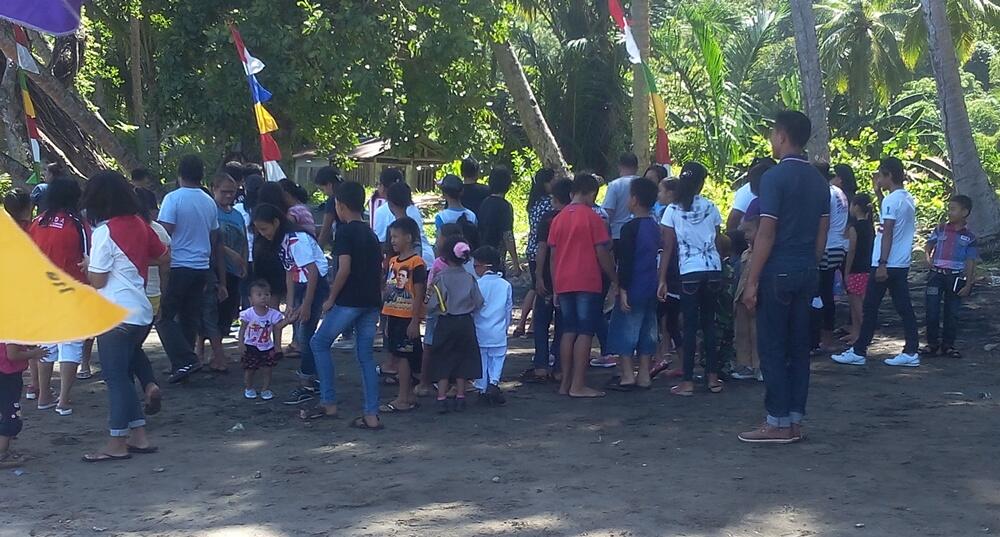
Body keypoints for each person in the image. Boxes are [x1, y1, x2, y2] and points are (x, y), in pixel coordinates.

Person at [738, 111, 829, 444]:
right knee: (799, 347)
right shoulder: (820, 181)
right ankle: (793, 420)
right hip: (807, 268)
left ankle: (776, 422)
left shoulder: (774, 178)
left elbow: (766, 233)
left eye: (773, 133)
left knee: (773, 347)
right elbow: (822, 233)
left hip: (778, 270)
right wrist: (811, 265)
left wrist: (752, 280)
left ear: (781, 135)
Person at [82, 170, 170, 462]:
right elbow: (164, 255)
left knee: (116, 378)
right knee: (127, 369)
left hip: (115, 313)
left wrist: (87, 265)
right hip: (141, 311)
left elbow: (98, 280)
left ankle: (117, 441)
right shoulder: (140, 224)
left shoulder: (104, 232)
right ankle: (139, 437)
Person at [307, 181, 384, 430]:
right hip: (371, 301)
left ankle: (328, 401)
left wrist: (330, 298)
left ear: (339, 206)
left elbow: (344, 269)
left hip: (349, 300)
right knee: (365, 357)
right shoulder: (371, 234)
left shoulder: (345, 232)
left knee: (319, 343)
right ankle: (371, 414)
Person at [832, 157, 919, 368]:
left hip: (887, 263)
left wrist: (882, 263)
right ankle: (909, 350)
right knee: (901, 306)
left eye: (881, 175)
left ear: (888, 175)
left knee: (871, 307)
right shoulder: (905, 199)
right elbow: (889, 220)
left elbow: (887, 231)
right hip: (900, 262)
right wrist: (879, 193)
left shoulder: (892, 201)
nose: (878, 179)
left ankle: (860, 350)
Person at [657, 163, 726, 397]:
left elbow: (668, 247)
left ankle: (687, 380)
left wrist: (662, 278)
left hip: (689, 271)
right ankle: (713, 377)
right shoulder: (710, 206)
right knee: (709, 324)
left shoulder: (673, 210)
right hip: (713, 268)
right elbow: (718, 240)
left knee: (688, 325)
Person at [252, 204, 330, 405]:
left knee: (306, 334)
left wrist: (306, 304)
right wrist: (292, 302)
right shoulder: (282, 241)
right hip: (301, 285)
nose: (263, 234)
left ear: (276, 223)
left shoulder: (296, 239)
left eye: (264, 229)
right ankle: (311, 377)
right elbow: (289, 272)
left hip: (314, 286)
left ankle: (307, 381)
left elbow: (312, 272)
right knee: (303, 333)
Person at [548, 173, 617, 398]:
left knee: (568, 331)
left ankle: (565, 383)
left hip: (564, 281)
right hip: (587, 280)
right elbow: (602, 252)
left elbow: (553, 255)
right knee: (585, 332)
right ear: (591, 193)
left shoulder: (558, 218)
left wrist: (556, 286)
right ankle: (578, 384)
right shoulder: (592, 217)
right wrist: (615, 279)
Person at [27, 178, 90, 415]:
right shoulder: (77, 223)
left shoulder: (38, 221)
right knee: (71, 343)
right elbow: (86, 257)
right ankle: (63, 399)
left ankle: (44, 395)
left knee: (47, 342)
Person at [157, 154, 222, 383]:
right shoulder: (208, 201)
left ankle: (185, 359)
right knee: (188, 317)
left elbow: (164, 233)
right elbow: (214, 235)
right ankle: (183, 363)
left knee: (164, 316)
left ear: (179, 173)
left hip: (179, 264)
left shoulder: (173, 199)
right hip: (201, 265)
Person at [606, 177, 659, 391]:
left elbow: (625, 260)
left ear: (634, 200)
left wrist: (622, 288)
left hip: (633, 285)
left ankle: (627, 374)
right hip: (651, 285)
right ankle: (644, 374)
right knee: (648, 329)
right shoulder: (655, 226)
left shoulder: (630, 228)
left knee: (624, 330)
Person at [426, 237, 484, 413]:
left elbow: (432, 304)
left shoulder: (441, 278)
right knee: (463, 359)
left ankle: (441, 397)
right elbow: (479, 301)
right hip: (466, 323)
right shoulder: (469, 277)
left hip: (446, 321)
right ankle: (460, 397)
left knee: (443, 358)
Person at [919, 195, 978, 359]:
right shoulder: (940, 229)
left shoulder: (970, 237)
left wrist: (968, 283)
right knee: (931, 310)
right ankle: (932, 344)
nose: (949, 212)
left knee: (952, 312)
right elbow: (929, 244)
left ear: (964, 212)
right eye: (949, 208)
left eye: (953, 209)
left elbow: (971, 261)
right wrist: (927, 257)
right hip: (936, 275)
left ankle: (948, 345)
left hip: (955, 277)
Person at [525, 178, 572, 383]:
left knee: (542, 322)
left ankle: (541, 365)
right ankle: (560, 367)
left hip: (547, 275)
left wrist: (538, 275)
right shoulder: (573, 218)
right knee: (563, 324)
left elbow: (542, 248)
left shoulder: (548, 219)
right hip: (568, 275)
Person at [730, 160, 773, 381]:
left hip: (753, 260)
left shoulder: (757, 204)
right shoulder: (781, 202)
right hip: (773, 260)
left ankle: (748, 363)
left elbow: (745, 228)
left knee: (746, 311)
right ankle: (759, 364)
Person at [379, 217, 427, 413]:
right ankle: (408, 395)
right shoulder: (392, 262)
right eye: (391, 237)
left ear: (408, 237)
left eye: (396, 236)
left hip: (408, 317)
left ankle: (403, 398)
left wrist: (415, 320)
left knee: (405, 357)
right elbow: (389, 289)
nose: (393, 240)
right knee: (400, 355)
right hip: (393, 315)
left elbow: (419, 293)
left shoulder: (417, 263)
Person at [416, 223, 467, 396]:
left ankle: (425, 382)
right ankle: (455, 385)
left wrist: (425, 305)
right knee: (455, 348)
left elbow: (430, 286)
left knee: (429, 345)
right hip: (458, 312)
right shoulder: (466, 264)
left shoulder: (438, 264)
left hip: (437, 310)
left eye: (438, 236)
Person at [811, 163, 850, 352]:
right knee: (826, 292)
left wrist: (816, 252)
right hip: (839, 245)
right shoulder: (838, 192)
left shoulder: (824, 193)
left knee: (820, 292)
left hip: (826, 246)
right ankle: (825, 337)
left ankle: (821, 338)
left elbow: (822, 225)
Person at [471, 246, 513, 405]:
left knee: (482, 359)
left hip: (480, 329)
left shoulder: (478, 284)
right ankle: (494, 383)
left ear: (484, 266)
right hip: (498, 329)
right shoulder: (505, 285)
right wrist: (506, 327)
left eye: (476, 266)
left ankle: (482, 388)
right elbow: (508, 309)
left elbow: (473, 307)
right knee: (497, 358)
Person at [518, 169, 556, 338]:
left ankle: (522, 323)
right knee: (541, 289)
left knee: (534, 287)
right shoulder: (549, 203)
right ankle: (533, 325)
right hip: (544, 249)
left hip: (531, 248)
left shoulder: (533, 203)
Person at [238, 280, 289, 400]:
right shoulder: (248, 314)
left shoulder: (273, 314)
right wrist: (241, 343)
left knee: (267, 369)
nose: (263, 298)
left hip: (266, 346)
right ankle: (249, 387)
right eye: (259, 295)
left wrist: (288, 320)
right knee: (250, 370)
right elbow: (242, 329)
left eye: (267, 294)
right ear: (251, 298)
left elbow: (278, 326)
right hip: (251, 346)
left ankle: (265, 389)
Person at [1, 344, 46, 467]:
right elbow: (12, 355)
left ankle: (3, 449)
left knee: (5, 412)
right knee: (11, 415)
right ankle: (1, 453)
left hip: (5, 374)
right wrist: (34, 353)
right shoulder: (11, 329)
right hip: (7, 376)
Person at [841, 194, 875, 345]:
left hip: (856, 269)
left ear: (855, 207)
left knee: (857, 305)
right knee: (855, 303)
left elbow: (852, 249)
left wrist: (847, 271)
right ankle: (855, 332)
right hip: (867, 268)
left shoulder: (855, 228)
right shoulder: (870, 227)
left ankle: (863, 336)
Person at [732, 214, 761, 382]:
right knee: (742, 332)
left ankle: (759, 365)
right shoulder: (745, 254)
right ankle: (745, 364)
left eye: (749, 231)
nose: (746, 235)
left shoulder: (765, 253)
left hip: (758, 297)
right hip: (741, 297)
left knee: (758, 332)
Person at [477, 166, 521, 276]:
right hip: (497, 255)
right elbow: (507, 235)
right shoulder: (505, 207)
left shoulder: (484, 203)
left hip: (481, 253)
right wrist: (515, 262)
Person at [385, 182, 435, 267]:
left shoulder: (392, 228)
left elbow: (388, 256)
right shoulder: (413, 225)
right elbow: (418, 250)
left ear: (390, 204)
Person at [600, 152, 641, 242]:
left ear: (619, 166)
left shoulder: (615, 185)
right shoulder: (643, 184)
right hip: (640, 232)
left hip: (618, 233)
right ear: (637, 167)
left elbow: (608, 213)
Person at [434, 174, 478, 242]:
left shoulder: (441, 217)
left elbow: (440, 242)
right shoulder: (472, 215)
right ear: (462, 191)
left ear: (444, 194)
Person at [314, 165, 343, 250]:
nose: (324, 193)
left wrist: (319, 248)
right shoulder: (351, 192)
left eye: (322, 189)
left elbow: (326, 227)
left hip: (342, 242)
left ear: (329, 185)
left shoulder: (332, 200)